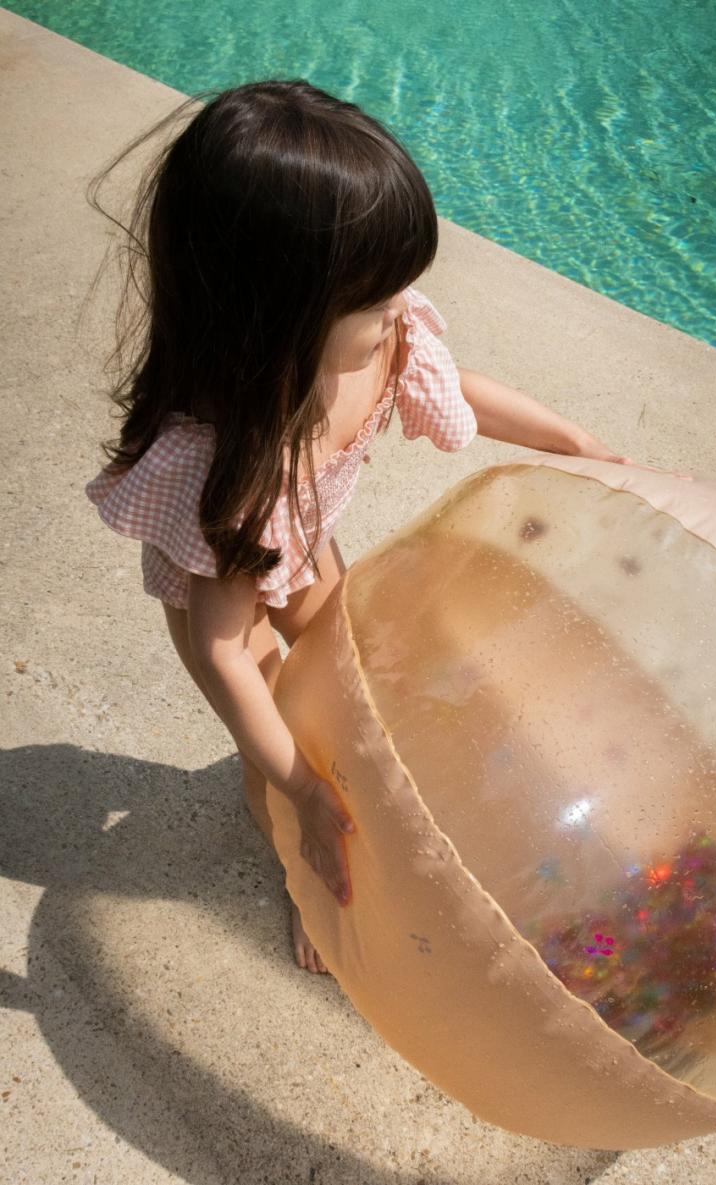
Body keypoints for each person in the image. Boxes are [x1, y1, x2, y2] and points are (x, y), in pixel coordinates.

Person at [85, 79, 633, 974]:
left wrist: (574, 441)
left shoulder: (378, 338)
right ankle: (299, 866)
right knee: (285, 738)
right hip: (225, 585)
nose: (401, 307)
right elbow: (224, 652)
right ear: (281, 311)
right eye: (376, 297)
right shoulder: (236, 464)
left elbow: (461, 390)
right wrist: (303, 788)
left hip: (302, 546)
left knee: (351, 672)